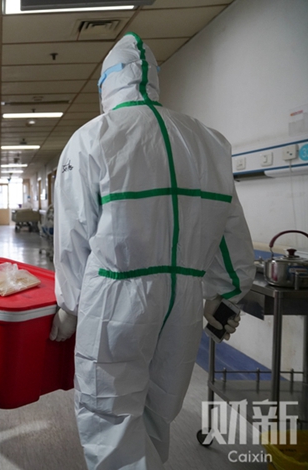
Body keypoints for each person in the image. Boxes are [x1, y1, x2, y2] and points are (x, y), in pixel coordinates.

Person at [49, 33, 255, 469]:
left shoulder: (92, 138)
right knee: (159, 409)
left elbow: (74, 235)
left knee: (110, 415)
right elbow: (230, 230)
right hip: (184, 300)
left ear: (106, 83)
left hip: (116, 299)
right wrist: (226, 294)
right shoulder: (209, 141)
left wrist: (69, 305)